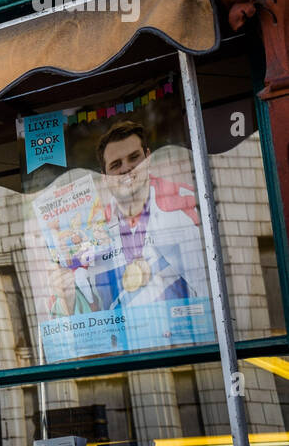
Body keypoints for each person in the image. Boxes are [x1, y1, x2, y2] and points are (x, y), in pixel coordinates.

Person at [47, 120, 204, 316]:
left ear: (148, 158)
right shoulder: (96, 230)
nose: (126, 168)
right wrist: (68, 297)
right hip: (125, 333)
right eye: (116, 165)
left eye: (134, 158)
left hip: (183, 330)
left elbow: (206, 284)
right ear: (105, 177)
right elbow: (95, 306)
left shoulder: (184, 205)